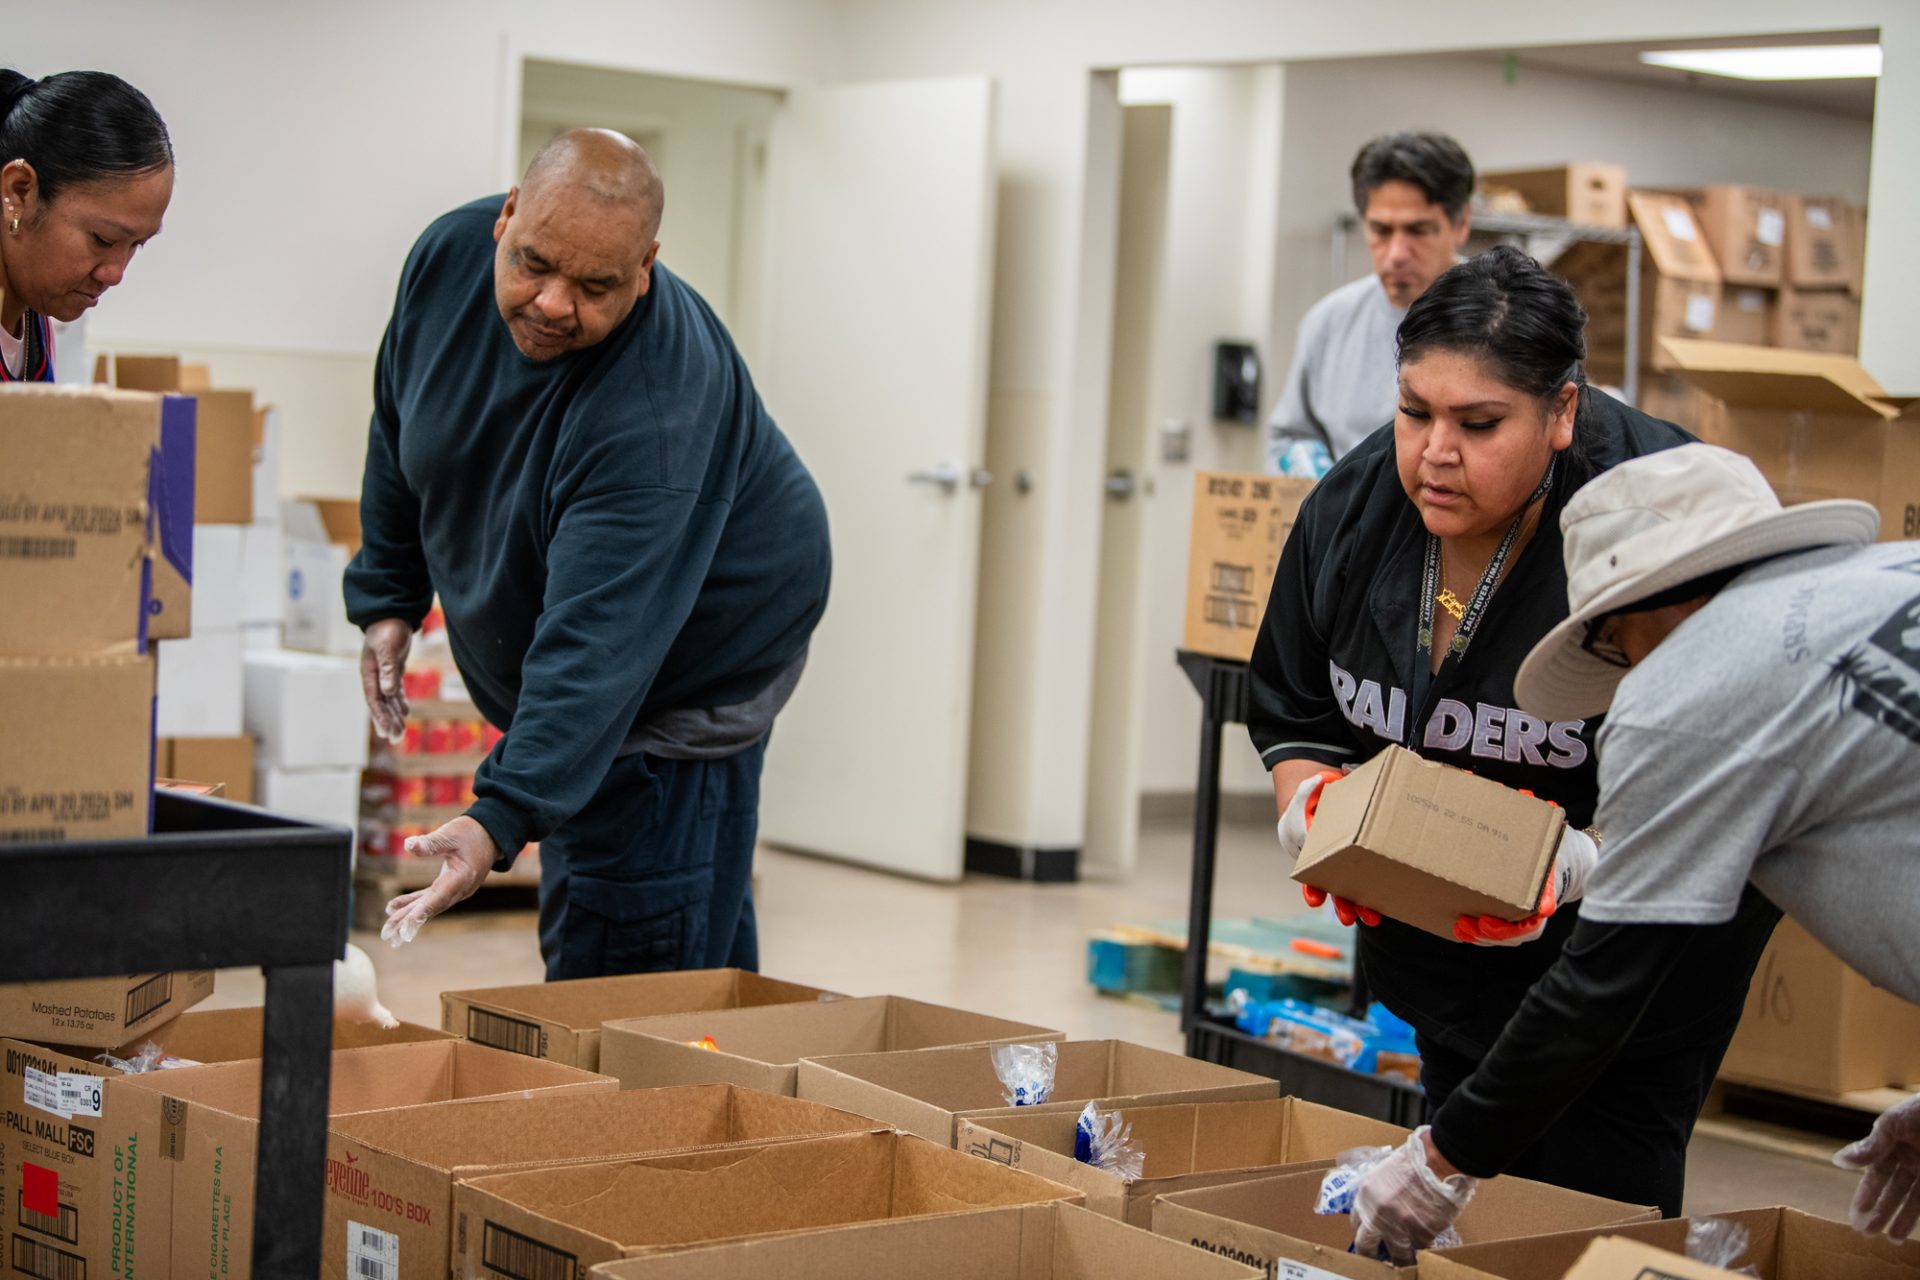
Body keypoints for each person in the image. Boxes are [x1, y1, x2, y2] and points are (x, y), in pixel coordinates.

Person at [1250, 245, 1780, 1219]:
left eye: (1479, 423)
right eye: (1416, 411)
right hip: (1444, 938)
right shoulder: (1361, 502)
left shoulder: (1662, 521)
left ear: (1564, 411)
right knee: (1465, 1180)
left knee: (1585, 1198)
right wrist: (1315, 810)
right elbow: (1292, 696)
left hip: (1629, 960)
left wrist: (1580, 861)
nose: (1435, 451)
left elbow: (1744, 772)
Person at [1350, 443, 1920, 1259]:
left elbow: (1601, 987)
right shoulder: (1880, 584)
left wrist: (1440, 1163)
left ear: (1627, 618)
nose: (1622, 673)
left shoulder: (1691, 682)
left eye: (1612, 649)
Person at [346, 129, 831, 979]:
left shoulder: (652, 406)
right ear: (504, 218)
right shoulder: (445, 261)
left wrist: (500, 814)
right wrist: (390, 597)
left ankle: (659, 1090)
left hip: (692, 667)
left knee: (630, 944)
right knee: (694, 936)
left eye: (596, 284)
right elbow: (401, 421)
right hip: (609, 648)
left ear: (645, 266)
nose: (554, 303)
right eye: (535, 263)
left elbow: (599, 642)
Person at [1265, 131, 1473, 477]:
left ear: (1461, 223)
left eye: (1418, 230)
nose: (1396, 254)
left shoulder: (1509, 320)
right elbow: (1290, 438)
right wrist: (1327, 489)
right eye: (1380, 230)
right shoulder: (1329, 322)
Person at [0, 69, 172, 383]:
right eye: (102, 240)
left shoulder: (36, 317)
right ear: (20, 191)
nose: (115, 274)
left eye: (136, 244)